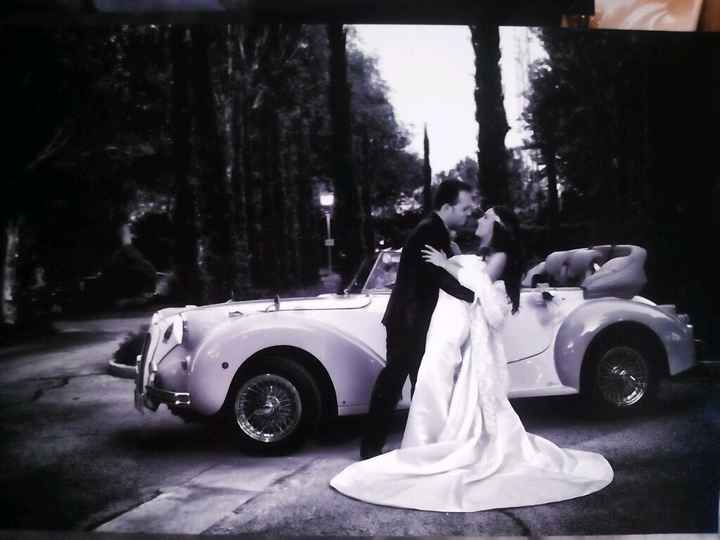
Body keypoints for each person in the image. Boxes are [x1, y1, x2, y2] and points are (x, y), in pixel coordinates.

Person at [330, 206, 614, 512]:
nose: (479, 219)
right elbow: (471, 278)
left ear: (498, 225)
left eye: (486, 217)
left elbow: (477, 288)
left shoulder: (500, 255)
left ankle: (439, 443)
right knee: (438, 383)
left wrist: (445, 263)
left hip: (466, 324)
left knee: (448, 384)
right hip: (453, 321)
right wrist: (451, 256)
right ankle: (431, 439)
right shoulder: (484, 251)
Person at [359, 179, 477, 460]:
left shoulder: (435, 231)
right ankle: (373, 447)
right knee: (394, 382)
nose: (467, 214)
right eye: (464, 208)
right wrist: (475, 295)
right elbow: (439, 277)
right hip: (409, 321)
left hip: (413, 320)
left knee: (418, 384)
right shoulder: (429, 232)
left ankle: (418, 445)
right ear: (447, 207)